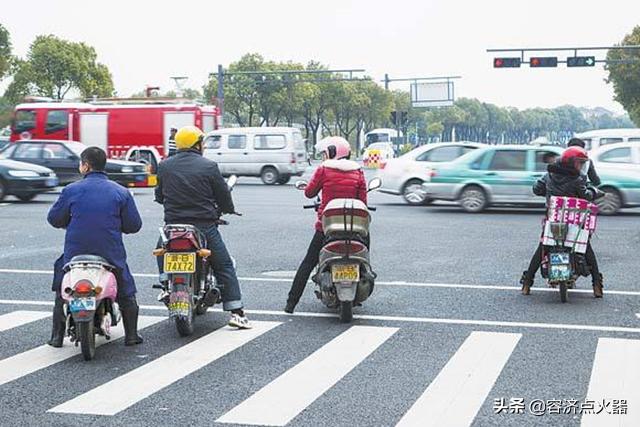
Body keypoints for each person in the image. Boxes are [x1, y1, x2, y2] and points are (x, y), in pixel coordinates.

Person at [154, 125, 251, 329]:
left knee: (162, 250)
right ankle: (236, 312)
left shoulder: (164, 166)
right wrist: (227, 209)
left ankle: (165, 283)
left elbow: (159, 196)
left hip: (173, 226)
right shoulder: (209, 166)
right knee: (223, 265)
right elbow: (223, 196)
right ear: (197, 144)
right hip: (203, 226)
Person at [47, 147, 143, 347]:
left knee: (62, 285)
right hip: (109, 252)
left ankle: (57, 336)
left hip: (76, 253)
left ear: (86, 166)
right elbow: (134, 225)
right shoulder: (121, 191)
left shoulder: (71, 190)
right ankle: (131, 335)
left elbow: (54, 219)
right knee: (125, 286)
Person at [285, 136, 368, 314]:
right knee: (366, 244)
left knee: (308, 263)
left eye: (325, 153)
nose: (324, 157)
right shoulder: (358, 171)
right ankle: (365, 271)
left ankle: (291, 304)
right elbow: (363, 202)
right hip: (354, 226)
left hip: (327, 226)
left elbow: (309, 193)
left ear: (332, 152)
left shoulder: (324, 169)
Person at [520, 146, 604, 297]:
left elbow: (536, 189)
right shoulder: (578, 179)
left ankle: (527, 283)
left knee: (542, 249)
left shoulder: (549, 175)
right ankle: (597, 285)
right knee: (586, 249)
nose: (580, 166)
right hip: (574, 223)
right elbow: (586, 196)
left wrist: (547, 191)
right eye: (579, 163)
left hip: (553, 223)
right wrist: (594, 192)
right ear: (571, 162)